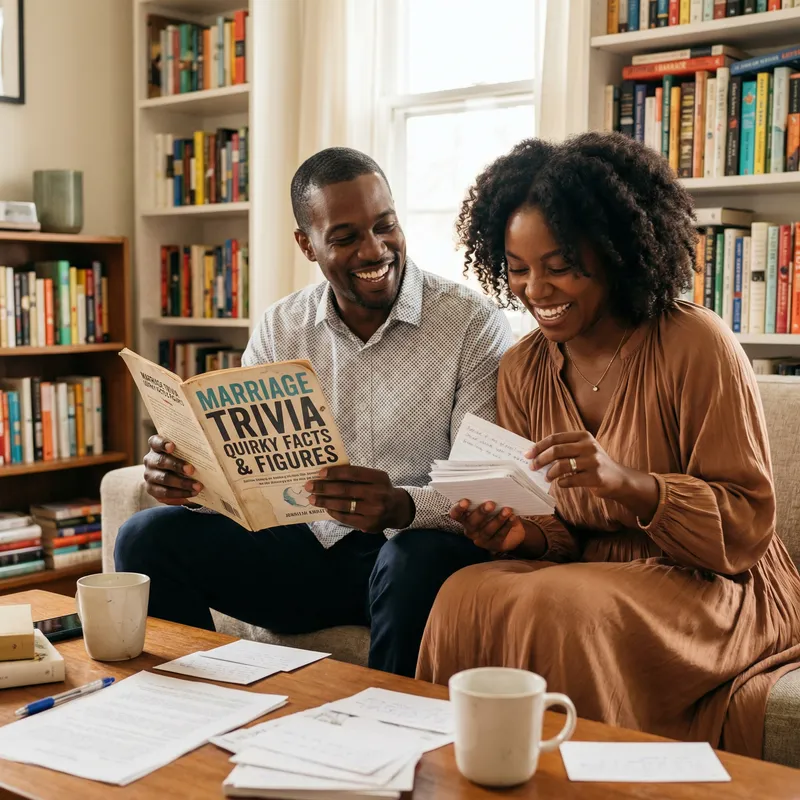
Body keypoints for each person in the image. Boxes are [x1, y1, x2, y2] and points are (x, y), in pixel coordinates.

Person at [415, 133, 800, 757]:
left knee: (568, 606)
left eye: (559, 265)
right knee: (464, 592)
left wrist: (628, 483)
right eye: (518, 269)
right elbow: (561, 532)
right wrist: (520, 535)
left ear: (615, 251)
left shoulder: (695, 343)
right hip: (591, 573)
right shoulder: (523, 368)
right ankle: (468, 776)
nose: (536, 289)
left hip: (712, 583)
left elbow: (746, 523)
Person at [115, 147, 513, 677]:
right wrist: (188, 483)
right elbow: (245, 479)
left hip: (410, 557)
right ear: (307, 244)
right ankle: (198, 702)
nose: (375, 249)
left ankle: (391, 717)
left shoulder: (471, 324)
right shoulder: (281, 327)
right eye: (346, 238)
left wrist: (401, 506)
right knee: (145, 537)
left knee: (412, 558)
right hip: (303, 551)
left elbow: (482, 487)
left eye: (385, 226)